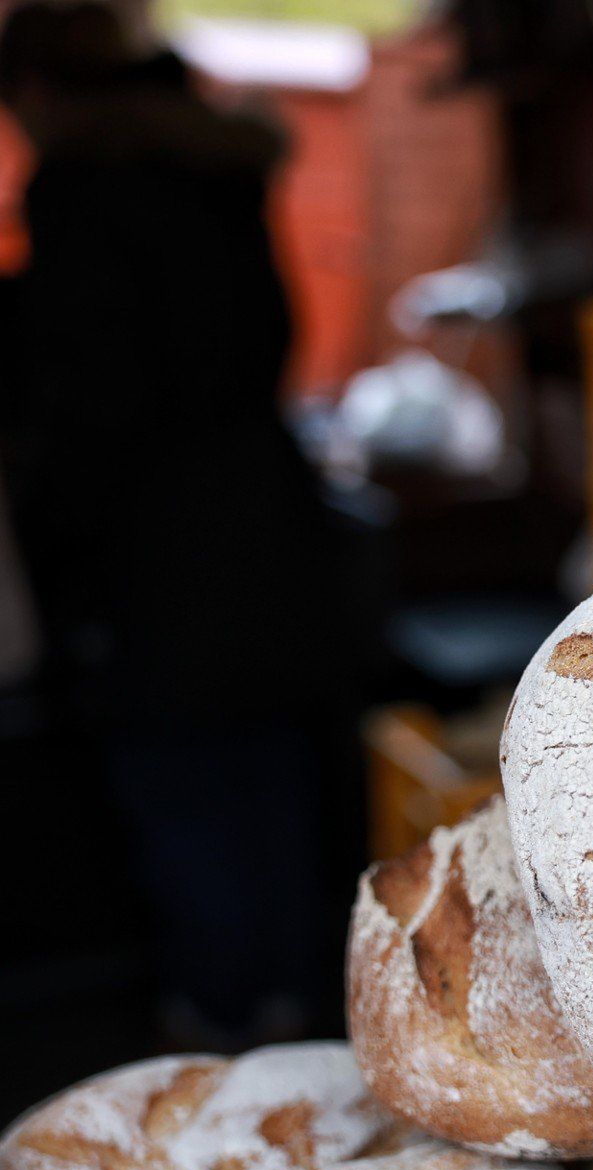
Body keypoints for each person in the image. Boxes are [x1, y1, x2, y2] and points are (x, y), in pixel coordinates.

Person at [0, 3, 350, 1048]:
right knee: (271, 793)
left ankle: (219, 1044)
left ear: (47, 94)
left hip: (153, 564)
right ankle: (303, 1028)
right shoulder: (217, 179)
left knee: (184, 800)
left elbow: (94, 406)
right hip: (263, 533)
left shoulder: (87, 199)